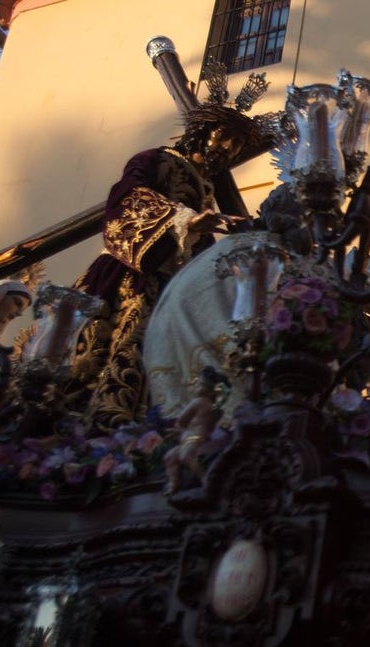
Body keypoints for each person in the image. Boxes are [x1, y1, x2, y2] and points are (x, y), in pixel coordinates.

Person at [67, 85, 271, 432]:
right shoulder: (156, 160)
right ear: (203, 132)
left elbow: (201, 247)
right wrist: (184, 221)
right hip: (133, 274)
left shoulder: (207, 189)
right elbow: (126, 198)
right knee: (116, 352)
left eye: (235, 147)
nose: (227, 150)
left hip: (176, 288)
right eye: (224, 139)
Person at [163, 366, 229, 495]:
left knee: (185, 456)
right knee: (170, 456)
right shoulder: (216, 409)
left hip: (194, 440)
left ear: (212, 391)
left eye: (200, 384)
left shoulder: (198, 401)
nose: (196, 386)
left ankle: (205, 480)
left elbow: (182, 420)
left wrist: (180, 430)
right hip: (195, 440)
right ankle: (173, 483)